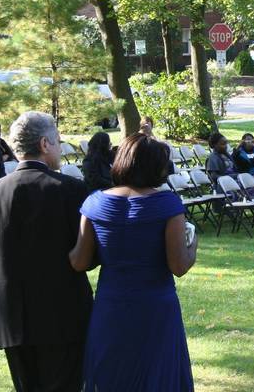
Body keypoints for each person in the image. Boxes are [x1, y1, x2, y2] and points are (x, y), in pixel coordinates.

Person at [0, 111, 93, 392]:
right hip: (65, 318)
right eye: (58, 142)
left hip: (12, 319)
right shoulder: (71, 190)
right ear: (45, 144)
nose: (60, 149)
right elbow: (88, 257)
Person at [71, 134, 196, 391]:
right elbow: (178, 266)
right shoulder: (168, 205)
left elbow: (80, 261)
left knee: (112, 374)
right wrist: (193, 245)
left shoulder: (94, 203)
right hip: (155, 306)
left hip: (111, 304)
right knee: (158, 374)